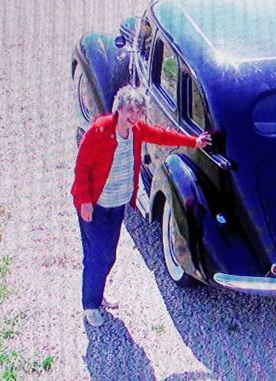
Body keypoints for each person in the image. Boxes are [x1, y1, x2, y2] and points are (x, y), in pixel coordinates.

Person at [71, 85, 211, 327]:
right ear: (119, 108)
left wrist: (194, 142)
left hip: (117, 205)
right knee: (97, 256)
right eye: (130, 111)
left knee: (108, 255)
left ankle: (98, 293)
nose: (134, 117)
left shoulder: (136, 131)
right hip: (95, 205)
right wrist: (84, 202)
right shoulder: (99, 130)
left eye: (138, 112)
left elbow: (162, 135)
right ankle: (90, 305)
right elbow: (82, 168)